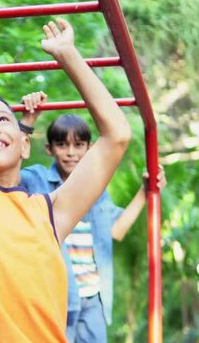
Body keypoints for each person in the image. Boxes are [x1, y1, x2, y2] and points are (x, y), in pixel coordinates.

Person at [0, 0, 131, 341]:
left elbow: (116, 135)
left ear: (24, 145)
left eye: (3, 119)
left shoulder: (51, 213)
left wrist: (68, 55)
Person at [18, 92, 167, 343]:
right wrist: (28, 121)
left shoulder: (96, 191)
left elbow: (115, 230)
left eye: (78, 145)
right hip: (55, 298)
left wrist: (146, 191)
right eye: (62, 145)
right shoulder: (37, 180)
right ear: (50, 148)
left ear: (89, 149)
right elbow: (9, 170)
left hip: (93, 299)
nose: (71, 152)